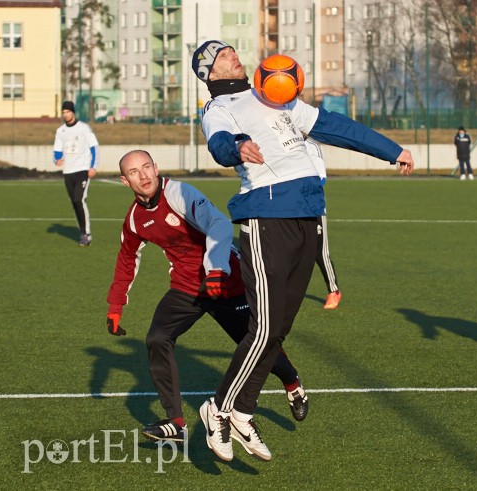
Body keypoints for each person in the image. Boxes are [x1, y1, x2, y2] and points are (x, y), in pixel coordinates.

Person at [192, 41, 414, 462]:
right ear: (208, 72)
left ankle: (241, 409)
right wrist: (236, 147)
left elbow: (333, 126)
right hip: (266, 217)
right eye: (222, 56)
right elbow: (219, 143)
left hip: (307, 217)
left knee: (276, 332)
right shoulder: (217, 109)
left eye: (232, 50)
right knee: (263, 328)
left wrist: (392, 150)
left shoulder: (273, 92)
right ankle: (218, 408)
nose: (233, 56)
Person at [105, 150, 309, 444]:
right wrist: (115, 305)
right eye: (135, 172)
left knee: (258, 345)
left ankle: (292, 383)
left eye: (147, 167)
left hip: (226, 280)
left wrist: (215, 269)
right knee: (157, 338)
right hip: (187, 287)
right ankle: (175, 421)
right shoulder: (135, 219)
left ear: (156, 166)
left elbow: (220, 224)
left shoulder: (179, 193)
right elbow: (127, 258)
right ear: (125, 181)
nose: (144, 175)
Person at [53, 100, 99, 246]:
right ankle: (83, 231)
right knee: (74, 202)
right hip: (68, 171)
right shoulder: (61, 131)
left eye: (68, 112)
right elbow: (57, 150)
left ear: (73, 112)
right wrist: (57, 159)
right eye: (63, 112)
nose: (65, 115)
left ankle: (86, 234)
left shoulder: (84, 128)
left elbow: (94, 147)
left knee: (79, 199)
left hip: (82, 169)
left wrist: (93, 167)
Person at [306, 138, 342, 309]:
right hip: (290, 209)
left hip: (314, 208)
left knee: (320, 252)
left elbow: (321, 179)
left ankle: (333, 290)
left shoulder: (312, 147)